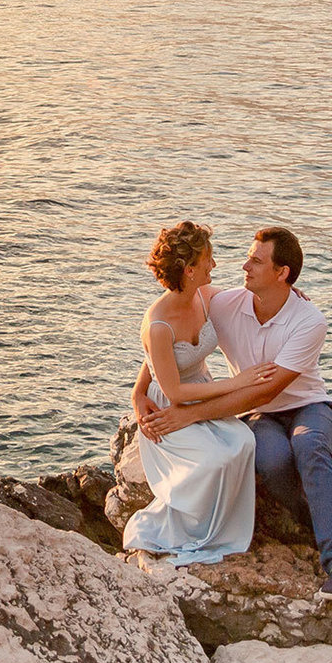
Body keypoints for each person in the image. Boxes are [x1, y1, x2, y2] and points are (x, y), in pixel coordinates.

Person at [203, 226, 332, 603]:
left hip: (309, 406)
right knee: (272, 460)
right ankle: (319, 521)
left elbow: (269, 388)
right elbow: (170, 310)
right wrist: (142, 389)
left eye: (256, 260)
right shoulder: (225, 305)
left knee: (309, 446)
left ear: (282, 272)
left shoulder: (309, 321)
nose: (244, 266)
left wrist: (193, 414)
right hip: (261, 415)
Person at [119, 222, 256, 564]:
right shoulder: (158, 323)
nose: (215, 265)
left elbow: (251, 298)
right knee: (215, 459)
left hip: (204, 394)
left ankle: (223, 530)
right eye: (209, 259)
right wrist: (239, 383)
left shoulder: (203, 296)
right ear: (189, 269)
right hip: (170, 409)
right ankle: (187, 531)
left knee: (245, 443)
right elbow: (174, 389)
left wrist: (293, 295)